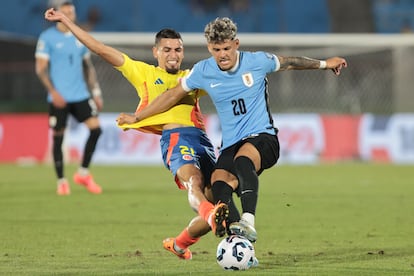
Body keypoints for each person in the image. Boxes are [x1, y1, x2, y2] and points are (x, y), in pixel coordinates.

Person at [124, 17, 348, 244]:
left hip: (263, 138)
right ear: (209, 48)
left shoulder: (257, 61)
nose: (222, 54)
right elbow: (171, 95)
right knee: (219, 185)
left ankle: (248, 221)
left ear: (236, 44)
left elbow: (290, 62)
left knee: (243, 162)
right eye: (216, 49)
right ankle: (237, 243)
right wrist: (138, 116)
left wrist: (323, 64)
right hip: (231, 143)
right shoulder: (203, 70)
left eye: (226, 48)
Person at [43, 8, 234, 260]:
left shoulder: (192, 77)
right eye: (166, 49)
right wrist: (67, 21)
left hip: (204, 141)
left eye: (178, 49)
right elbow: (100, 49)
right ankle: (210, 216)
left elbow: (230, 81)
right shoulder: (142, 72)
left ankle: (178, 244)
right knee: (193, 181)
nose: (173, 55)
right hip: (176, 139)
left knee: (219, 199)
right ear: (156, 52)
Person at [35, 1, 103, 196]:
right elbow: (40, 69)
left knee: (96, 130)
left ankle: (83, 173)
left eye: (70, 12)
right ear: (57, 15)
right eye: (64, 12)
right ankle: (62, 181)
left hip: (80, 94)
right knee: (58, 137)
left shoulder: (78, 36)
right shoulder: (47, 37)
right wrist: (53, 92)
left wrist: (96, 91)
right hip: (59, 97)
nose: (68, 15)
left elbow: (88, 67)